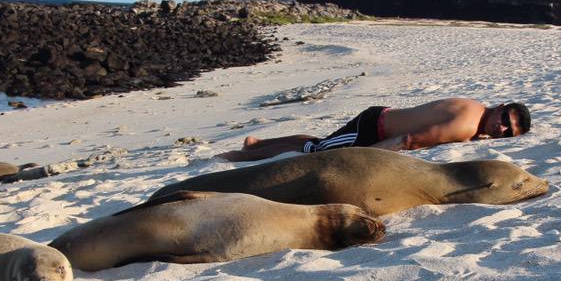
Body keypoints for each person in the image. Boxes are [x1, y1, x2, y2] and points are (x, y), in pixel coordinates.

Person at [216, 98, 531, 161]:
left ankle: (257, 141)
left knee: (319, 144)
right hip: (373, 130)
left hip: (381, 119)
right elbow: (406, 140)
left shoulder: (475, 109)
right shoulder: (465, 125)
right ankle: (243, 155)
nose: (501, 127)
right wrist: (362, 157)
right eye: (505, 118)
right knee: (315, 152)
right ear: (501, 106)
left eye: (508, 132)